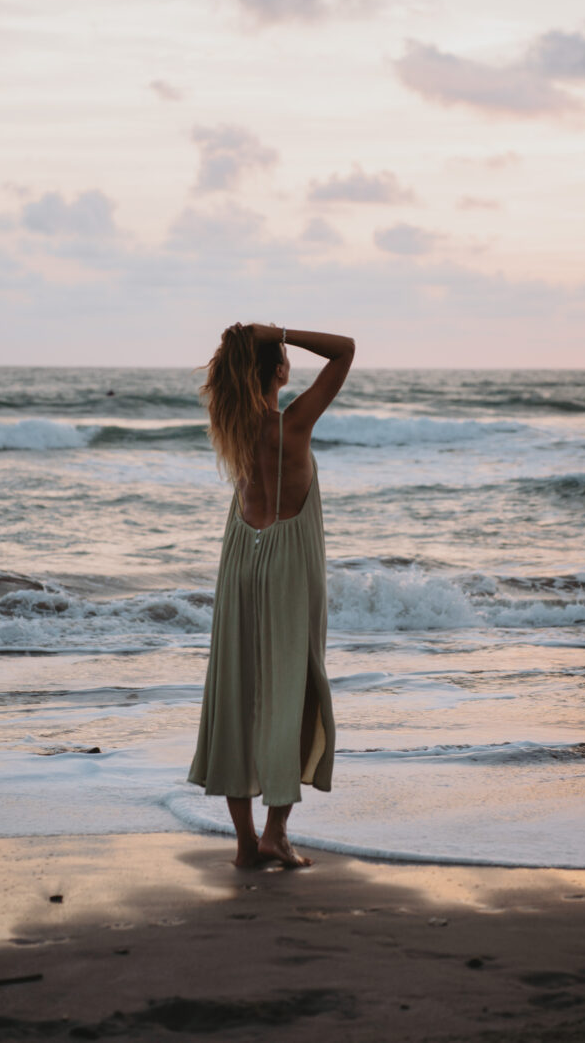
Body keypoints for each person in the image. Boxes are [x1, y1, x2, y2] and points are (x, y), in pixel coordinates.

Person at [188, 323, 355, 868]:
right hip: (287, 563)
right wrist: (279, 330)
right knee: (294, 689)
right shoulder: (295, 425)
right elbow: (345, 350)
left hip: (241, 558)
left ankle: (243, 841)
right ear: (279, 370)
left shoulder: (230, 426)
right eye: (284, 357)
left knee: (236, 691)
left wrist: (254, 344)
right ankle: (275, 833)